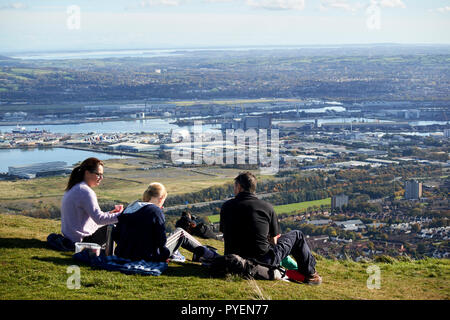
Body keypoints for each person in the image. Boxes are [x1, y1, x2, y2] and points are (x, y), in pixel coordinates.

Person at [219, 171, 322, 285]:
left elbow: (225, 232)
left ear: (239, 187)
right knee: (297, 235)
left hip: (232, 258)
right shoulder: (266, 207)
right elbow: (274, 241)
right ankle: (310, 274)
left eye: (234, 186)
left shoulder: (226, 206)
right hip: (263, 261)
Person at [114, 182, 215, 262]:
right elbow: (161, 241)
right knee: (181, 232)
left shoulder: (130, 208)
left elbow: (116, 235)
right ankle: (211, 255)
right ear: (161, 198)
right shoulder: (155, 211)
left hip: (123, 254)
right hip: (148, 256)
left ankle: (200, 253)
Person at [60, 157, 123, 246]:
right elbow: (99, 219)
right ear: (87, 173)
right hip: (81, 241)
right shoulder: (85, 191)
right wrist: (124, 215)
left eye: (102, 175)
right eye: (98, 174)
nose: (101, 178)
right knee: (118, 225)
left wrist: (111, 213)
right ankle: (122, 254)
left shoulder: (75, 188)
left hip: (71, 238)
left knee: (116, 221)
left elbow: (93, 218)